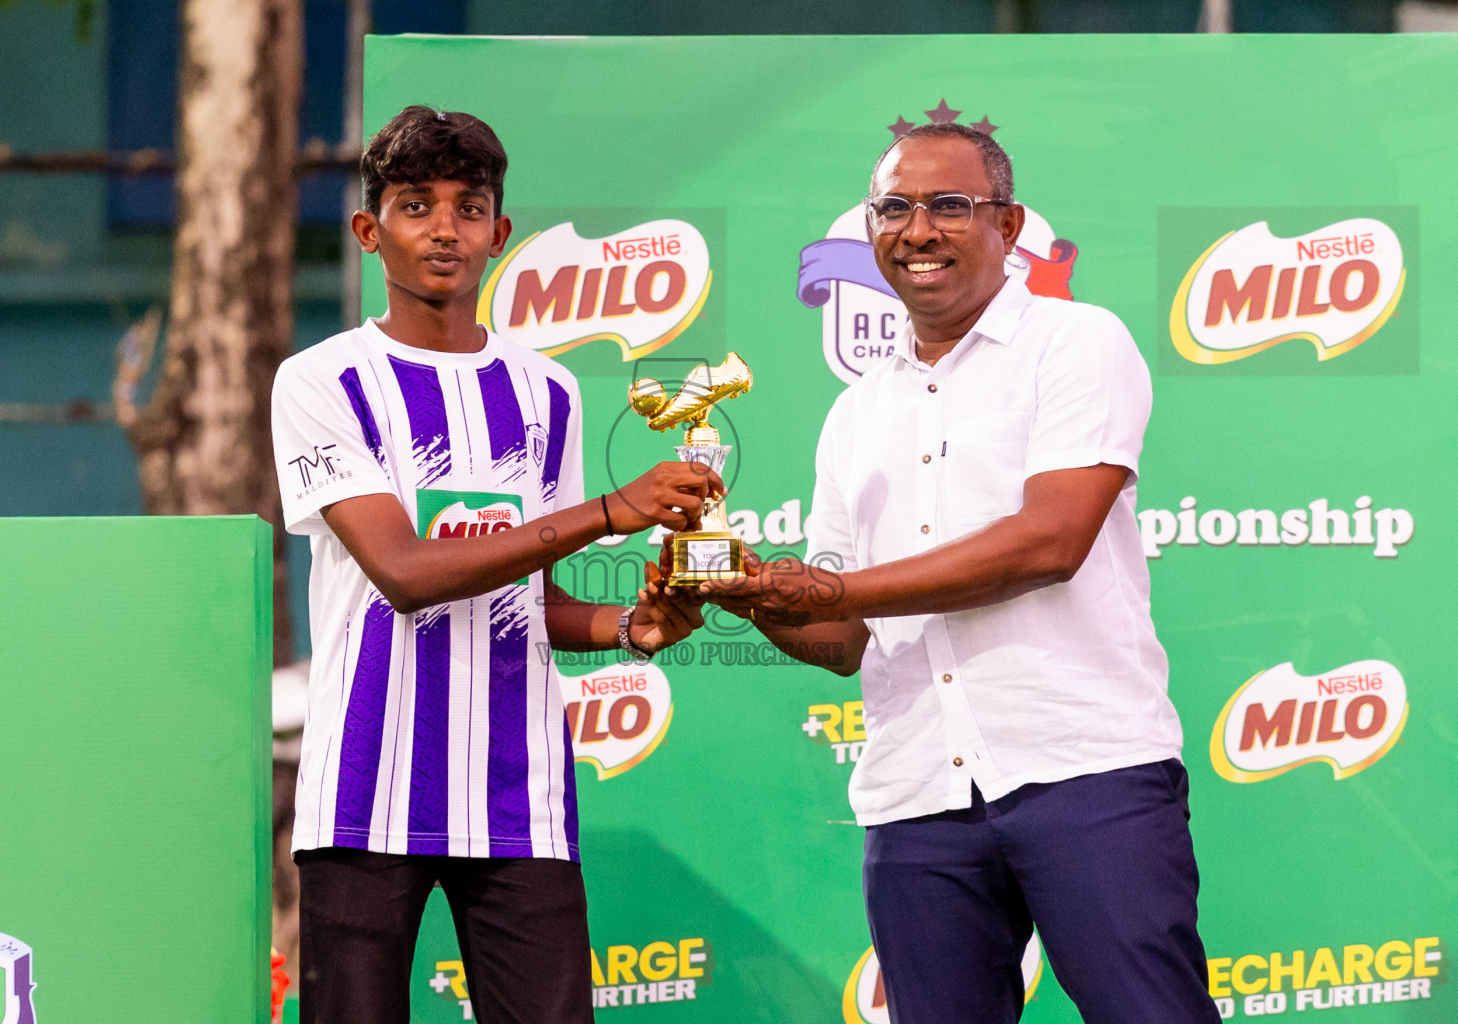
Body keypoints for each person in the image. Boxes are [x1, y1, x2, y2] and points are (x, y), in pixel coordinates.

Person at [700, 123, 1220, 1024]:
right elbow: (839, 642)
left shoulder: (1076, 342)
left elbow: (1048, 544)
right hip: (918, 793)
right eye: (893, 208)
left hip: (1084, 770)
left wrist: (833, 589)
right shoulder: (856, 412)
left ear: (1008, 225)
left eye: (949, 205)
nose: (918, 231)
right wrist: (749, 596)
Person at [270, 106, 714, 1024]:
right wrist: (607, 512)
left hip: (518, 795)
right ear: (369, 231)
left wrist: (629, 626)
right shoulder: (321, 380)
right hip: (365, 789)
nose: (445, 229)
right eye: (415, 206)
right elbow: (404, 573)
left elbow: (528, 603)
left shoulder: (548, 390)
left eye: (468, 208)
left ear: (499, 233)